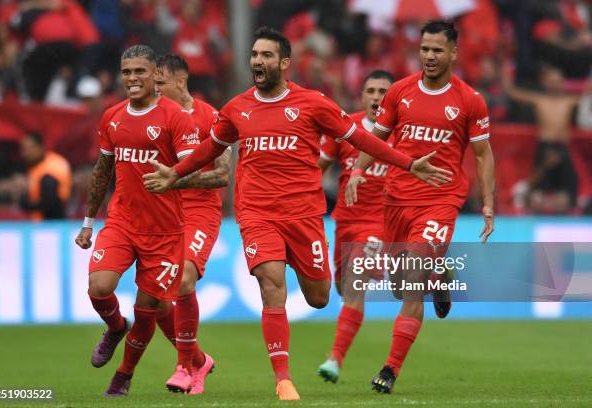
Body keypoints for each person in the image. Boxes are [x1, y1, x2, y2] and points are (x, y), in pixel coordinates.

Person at [142, 27, 452, 401]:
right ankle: (283, 379)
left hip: (304, 216)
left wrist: (407, 163)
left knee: (321, 296)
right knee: (271, 285)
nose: (258, 61)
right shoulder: (237, 107)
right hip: (257, 213)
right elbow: (210, 148)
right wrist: (175, 172)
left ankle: (432, 273)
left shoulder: (313, 104)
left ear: (284, 63)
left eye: (266, 55)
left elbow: (360, 138)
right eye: (255, 54)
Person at [346, 20, 495, 394]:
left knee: (410, 284)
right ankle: (439, 276)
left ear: (453, 53)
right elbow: (376, 137)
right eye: (424, 49)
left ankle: (390, 369)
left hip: (440, 202)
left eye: (437, 50)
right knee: (398, 286)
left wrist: (489, 203)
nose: (429, 56)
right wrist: (356, 172)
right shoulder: (399, 92)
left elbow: (482, 154)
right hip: (396, 200)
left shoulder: (469, 100)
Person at [74, 44, 199, 397]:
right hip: (122, 221)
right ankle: (115, 327)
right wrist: (87, 221)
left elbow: (193, 166)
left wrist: (172, 176)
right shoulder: (112, 117)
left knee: (148, 308)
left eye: (140, 72)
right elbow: (102, 171)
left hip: (164, 230)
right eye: (127, 72)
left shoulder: (175, 117)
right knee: (99, 287)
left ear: (155, 76)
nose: (132, 78)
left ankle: (124, 375)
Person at [153, 53, 231, 395]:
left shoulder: (211, 118)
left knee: (184, 278)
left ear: (181, 81)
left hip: (199, 211)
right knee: (155, 299)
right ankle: (198, 360)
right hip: (162, 215)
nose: (153, 90)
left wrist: (176, 180)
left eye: (160, 83)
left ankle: (184, 367)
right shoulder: (152, 118)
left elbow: (222, 175)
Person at [316, 70, 395, 383]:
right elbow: (317, 169)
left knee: (354, 284)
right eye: (370, 90)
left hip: (380, 222)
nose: (376, 97)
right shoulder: (345, 127)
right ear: (362, 95)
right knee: (342, 287)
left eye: (383, 92)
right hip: (344, 222)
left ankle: (334, 359)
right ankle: (432, 274)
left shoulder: (401, 131)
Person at [502, 64, 581, 214]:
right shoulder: (539, 100)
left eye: (557, 80)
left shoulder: (569, 101)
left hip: (563, 149)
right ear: (544, 82)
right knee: (537, 194)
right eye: (551, 80)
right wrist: (505, 73)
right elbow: (512, 92)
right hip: (545, 147)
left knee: (567, 195)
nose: (554, 84)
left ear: (563, 82)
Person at [0, 132, 72, 220]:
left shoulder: (51, 168)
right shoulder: (35, 165)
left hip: (52, 225)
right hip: (42, 223)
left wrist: (21, 202)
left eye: (28, 149)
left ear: (40, 147)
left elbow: (49, 204)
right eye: (23, 149)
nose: (24, 153)